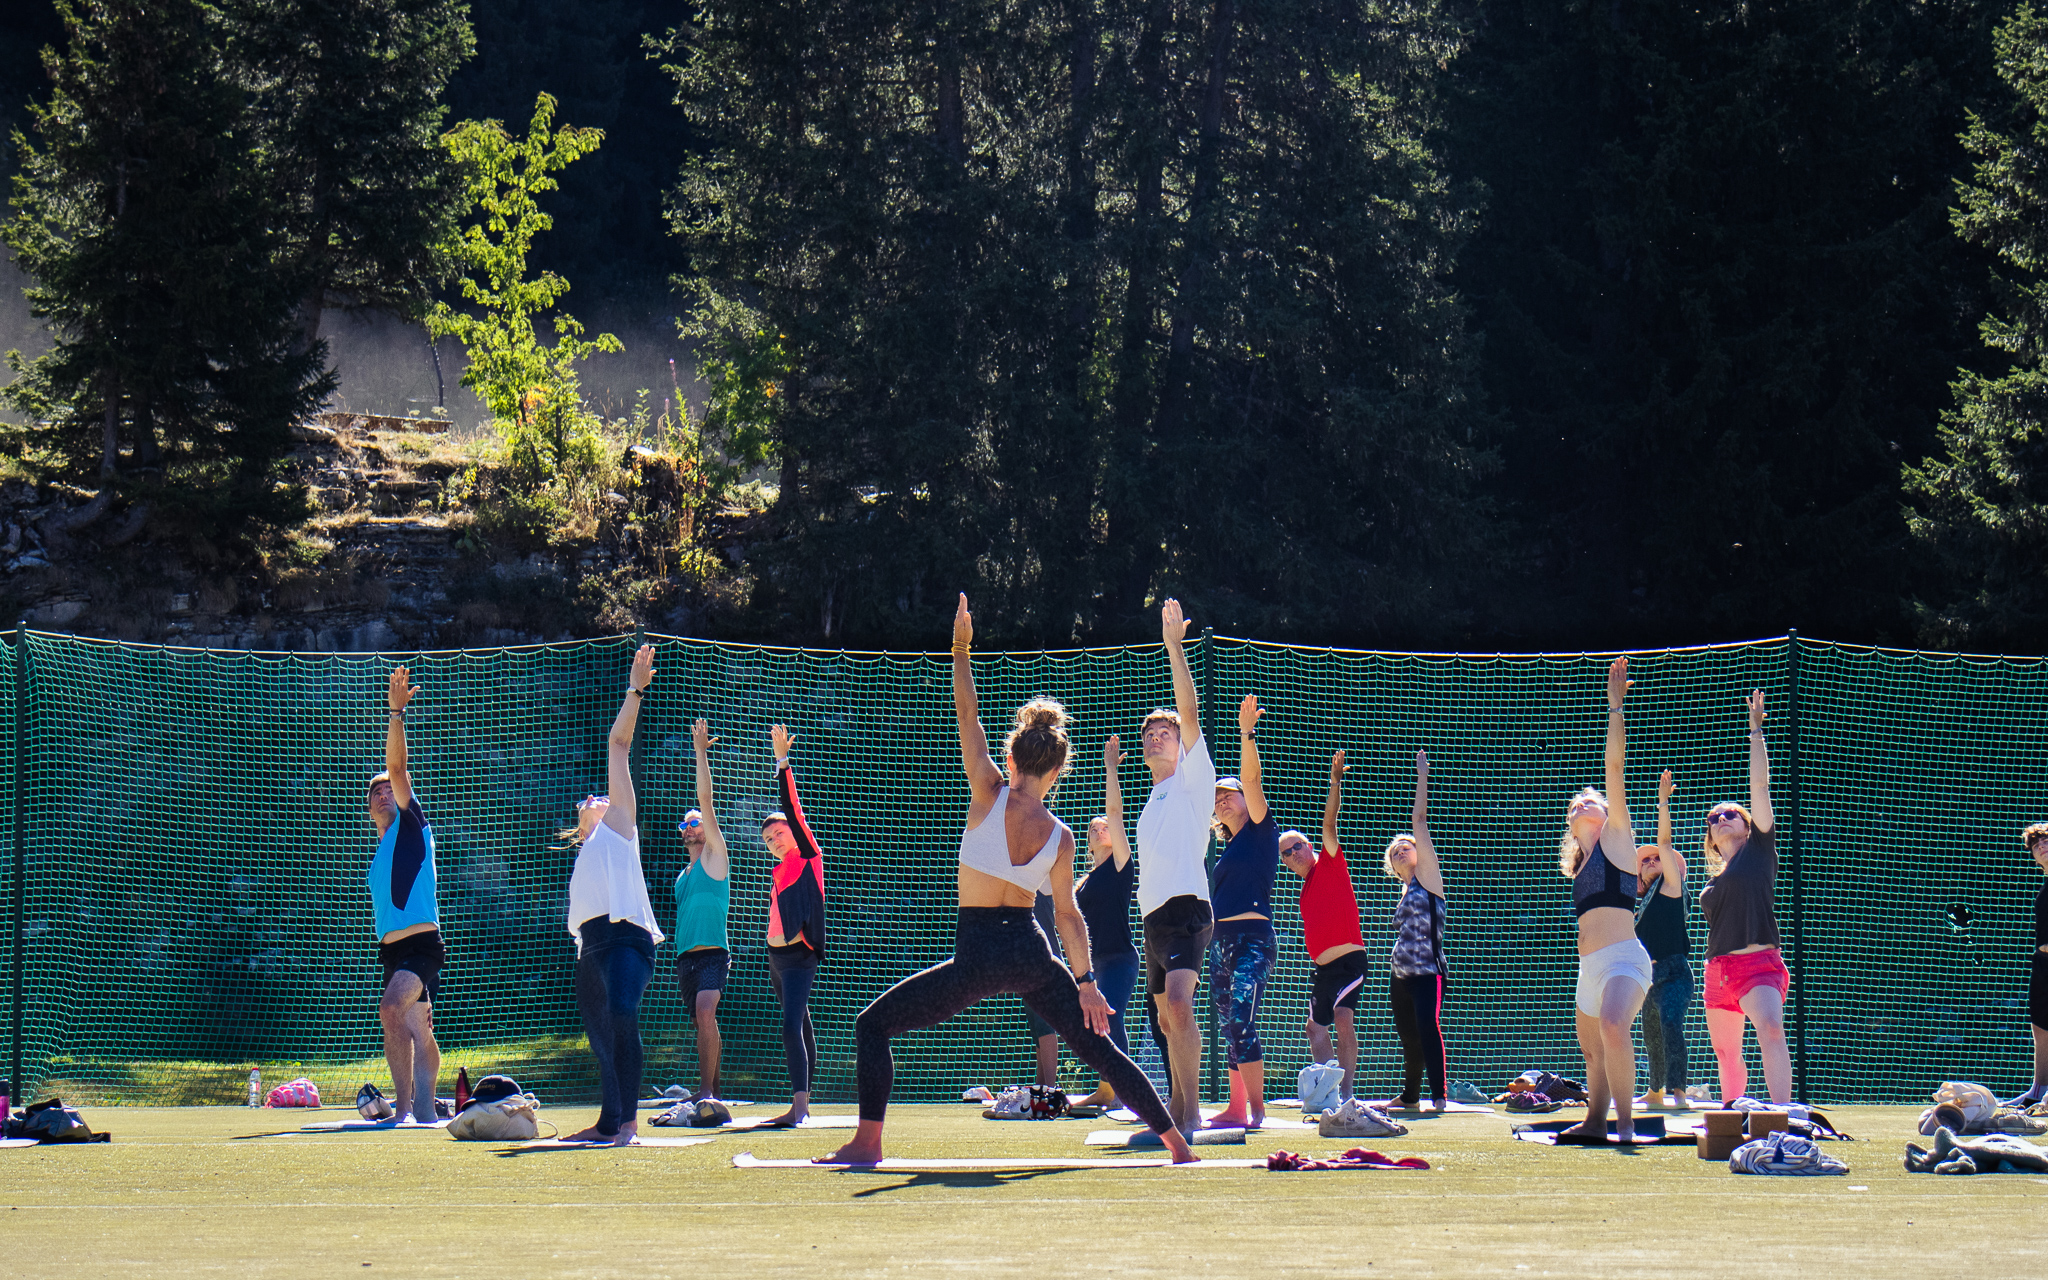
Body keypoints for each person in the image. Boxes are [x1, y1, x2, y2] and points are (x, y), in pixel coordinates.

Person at [818, 595, 1195, 1163]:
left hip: (976, 954)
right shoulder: (1062, 835)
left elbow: (967, 714)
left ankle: (866, 1144)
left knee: (873, 1026)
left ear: (1012, 758)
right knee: (1101, 1051)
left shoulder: (989, 793)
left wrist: (962, 646)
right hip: (1030, 951)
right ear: (1059, 770)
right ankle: (1177, 1145)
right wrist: (1087, 982)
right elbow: (1067, 916)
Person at [562, 644, 666, 1145]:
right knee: (602, 1036)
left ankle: (628, 1123)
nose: (601, 800)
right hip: (591, 947)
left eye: (604, 797)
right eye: (591, 800)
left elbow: (618, 745)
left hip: (627, 941)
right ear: (578, 819)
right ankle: (608, 1122)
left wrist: (635, 690)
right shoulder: (584, 854)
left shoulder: (619, 829)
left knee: (623, 1015)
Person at [1558, 655, 1651, 1142]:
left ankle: (1626, 1126)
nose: (1584, 804)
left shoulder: (1618, 838)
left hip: (1624, 960)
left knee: (1615, 1026)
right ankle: (1594, 1121)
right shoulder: (1577, 864)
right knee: (1592, 1051)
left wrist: (1615, 706)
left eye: (1592, 800)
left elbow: (1614, 765)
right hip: (1589, 968)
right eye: (1577, 804)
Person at [1135, 598, 1214, 1132]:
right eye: (1149, 733)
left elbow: (1187, 712)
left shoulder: (1193, 781)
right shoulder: (1148, 804)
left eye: (1165, 732)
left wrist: (1174, 648)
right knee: (1165, 1017)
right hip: (1153, 920)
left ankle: (1189, 1116)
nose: (1157, 735)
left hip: (1188, 909)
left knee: (1180, 1006)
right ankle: (1177, 1109)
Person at [1698, 690, 1791, 1107]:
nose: (1721, 819)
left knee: (1771, 1029)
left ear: (1748, 823)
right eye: (1713, 819)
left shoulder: (1759, 850)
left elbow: (1760, 785)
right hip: (1718, 971)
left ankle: (1786, 1119)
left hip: (1758, 964)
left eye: (1730, 812)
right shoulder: (1715, 881)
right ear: (1712, 841)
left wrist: (1756, 733)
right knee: (1725, 1052)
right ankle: (1733, 1115)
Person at [366, 664, 442, 1126]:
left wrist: (396, 713)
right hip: (391, 952)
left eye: (388, 791)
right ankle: (427, 1108)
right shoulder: (377, 854)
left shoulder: (411, 825)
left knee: (391, 1009)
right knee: (416, 1025)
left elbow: (396, 767)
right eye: (374, 793)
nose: (382, 794)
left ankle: (404, 1110)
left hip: (422, 946)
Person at [1205, 693, 1278, 1129]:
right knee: (1228, 1026)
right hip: (1221, 943)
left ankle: (1257, 1110)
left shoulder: (1260, 829)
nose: (1223, 800)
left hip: (1252, 939)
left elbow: (1251, 781)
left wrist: (1246, 734)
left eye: (1228, 794)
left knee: (1240, 1019)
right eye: (1218, 798)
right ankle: (1234, 1108)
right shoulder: (1226, 849)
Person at [1281, 749, 1370, 1102]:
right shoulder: (1304, 890)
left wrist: (1334, 782)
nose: (1294, 854)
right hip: (1322, 969)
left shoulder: (1330, 863)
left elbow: (1329, 824)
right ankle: (1327, 1092)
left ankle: (1346, 1092)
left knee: (1341, 1017)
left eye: (1298, 846)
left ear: (1310, 847)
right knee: (1315, 1029)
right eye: (1286, 853)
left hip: (1349, 962)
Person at [1071, 736, 1141, 1111]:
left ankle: (1116, 1092)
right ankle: (1109, 1088)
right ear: (1088, 842)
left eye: (1106, 827)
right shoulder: (1081, 883)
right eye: (1094, 829)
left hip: (1119, 958)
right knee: (1097, 1023)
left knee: (1110, 1015)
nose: (1102, 830)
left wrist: (1110, 769)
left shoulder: (1120, 866)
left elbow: (1115, 812)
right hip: (1092, 965)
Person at [762, 722, 827, 1127]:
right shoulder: (777, 870)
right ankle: (806, 1097)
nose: (775, 840)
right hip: (775, 957)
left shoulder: (807, 856)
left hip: (800, 954)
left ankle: (799, 1105)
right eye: (768, 839)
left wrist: (782, 761)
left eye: (779, 833)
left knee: (790, 1025)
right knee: (799, 1022)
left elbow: (792, 807)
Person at [1385, 748, 1450, 1112]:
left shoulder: (1429, 880)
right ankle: (1410, 1096)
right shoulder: (1404, 890)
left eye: (1406, 847)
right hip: (1401, 973)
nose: (1402, 851)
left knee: (1428, 1028)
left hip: (1428, 972)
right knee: (1408, 1035)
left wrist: (1422, 777)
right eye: (1395, 852)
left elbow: (1420, 821)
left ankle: (1439, 1096)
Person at [672, 717, 729, 1101]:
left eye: (696, 822)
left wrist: (699, 753)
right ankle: (713, 1089)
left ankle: (706, 1091)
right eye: (686, 824)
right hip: (684, 959)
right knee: (700, 1021)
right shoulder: (682, 876)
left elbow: (705, 801)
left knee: (706, 1012)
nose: (691, 827)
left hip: (713, 953)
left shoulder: (715, 857)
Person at [1632, 769, 1691, 1110]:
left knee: (1670, 1026)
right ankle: (1655, 1092)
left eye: (1658, 859)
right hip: (1647, 975)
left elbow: (1665, 844)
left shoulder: (1671, 888)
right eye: (1646, 860)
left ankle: (1678, 1094)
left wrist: (1663, 803)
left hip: (1675, 972)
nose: (1653, 860)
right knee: (1650, 1035)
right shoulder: (1638, 906)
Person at [2008, 822, 2048, 1107]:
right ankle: (2036, 1091)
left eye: (2046, 842)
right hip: (2042, 962)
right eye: (2036, 846)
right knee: (2040, 1029)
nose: (2042, 847)